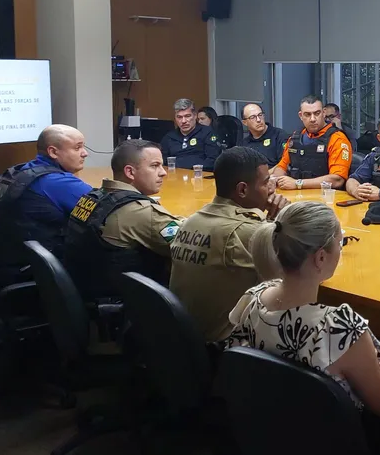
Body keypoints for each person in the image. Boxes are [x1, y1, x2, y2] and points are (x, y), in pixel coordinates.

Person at [228, 202, 380, 455]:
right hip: (340, 443)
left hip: (274, 432)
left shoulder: (252, 299)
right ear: (320, 258)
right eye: (340, 243)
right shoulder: (339, 328)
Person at [170, 147, 289, 342]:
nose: (271, 189)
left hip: (184, 342)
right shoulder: (246, 232)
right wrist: (282, 222)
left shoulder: (192, 220)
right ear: (242, 189)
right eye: (266, 183)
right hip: (225, 349)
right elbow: (296, 275)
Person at [0, 125, 92, 301]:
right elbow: (110, 212)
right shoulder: (57, 182)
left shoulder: (18, 172)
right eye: (77, 147)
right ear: (53, 152)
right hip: (30, 284)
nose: (85, 153)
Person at [64, 140, 183, 300]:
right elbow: (189, 246)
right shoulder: (140, 211)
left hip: (86, 292)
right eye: (155, 166)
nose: (163, 172)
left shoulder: (92, 197)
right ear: (130, 172)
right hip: (128, 305)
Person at [273, 95, 353, 190]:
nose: (312, 119)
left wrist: (298, 183)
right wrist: (275, 179)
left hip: (326, 199)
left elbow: (337, 180)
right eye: (307, 114)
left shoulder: (337, 139)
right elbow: (281, 167)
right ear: (300, 116)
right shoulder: (295, 138)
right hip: (296, 196)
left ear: (323, 113)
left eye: (317, 113)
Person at [160, 98, 221, 171]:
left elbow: (213, 160)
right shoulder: (169, 137)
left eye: (187, 116)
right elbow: (162, 161)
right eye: (179, 117)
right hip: (174, 177)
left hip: (199, 176)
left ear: (195, 116)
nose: (183, 121)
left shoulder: (207, 132)